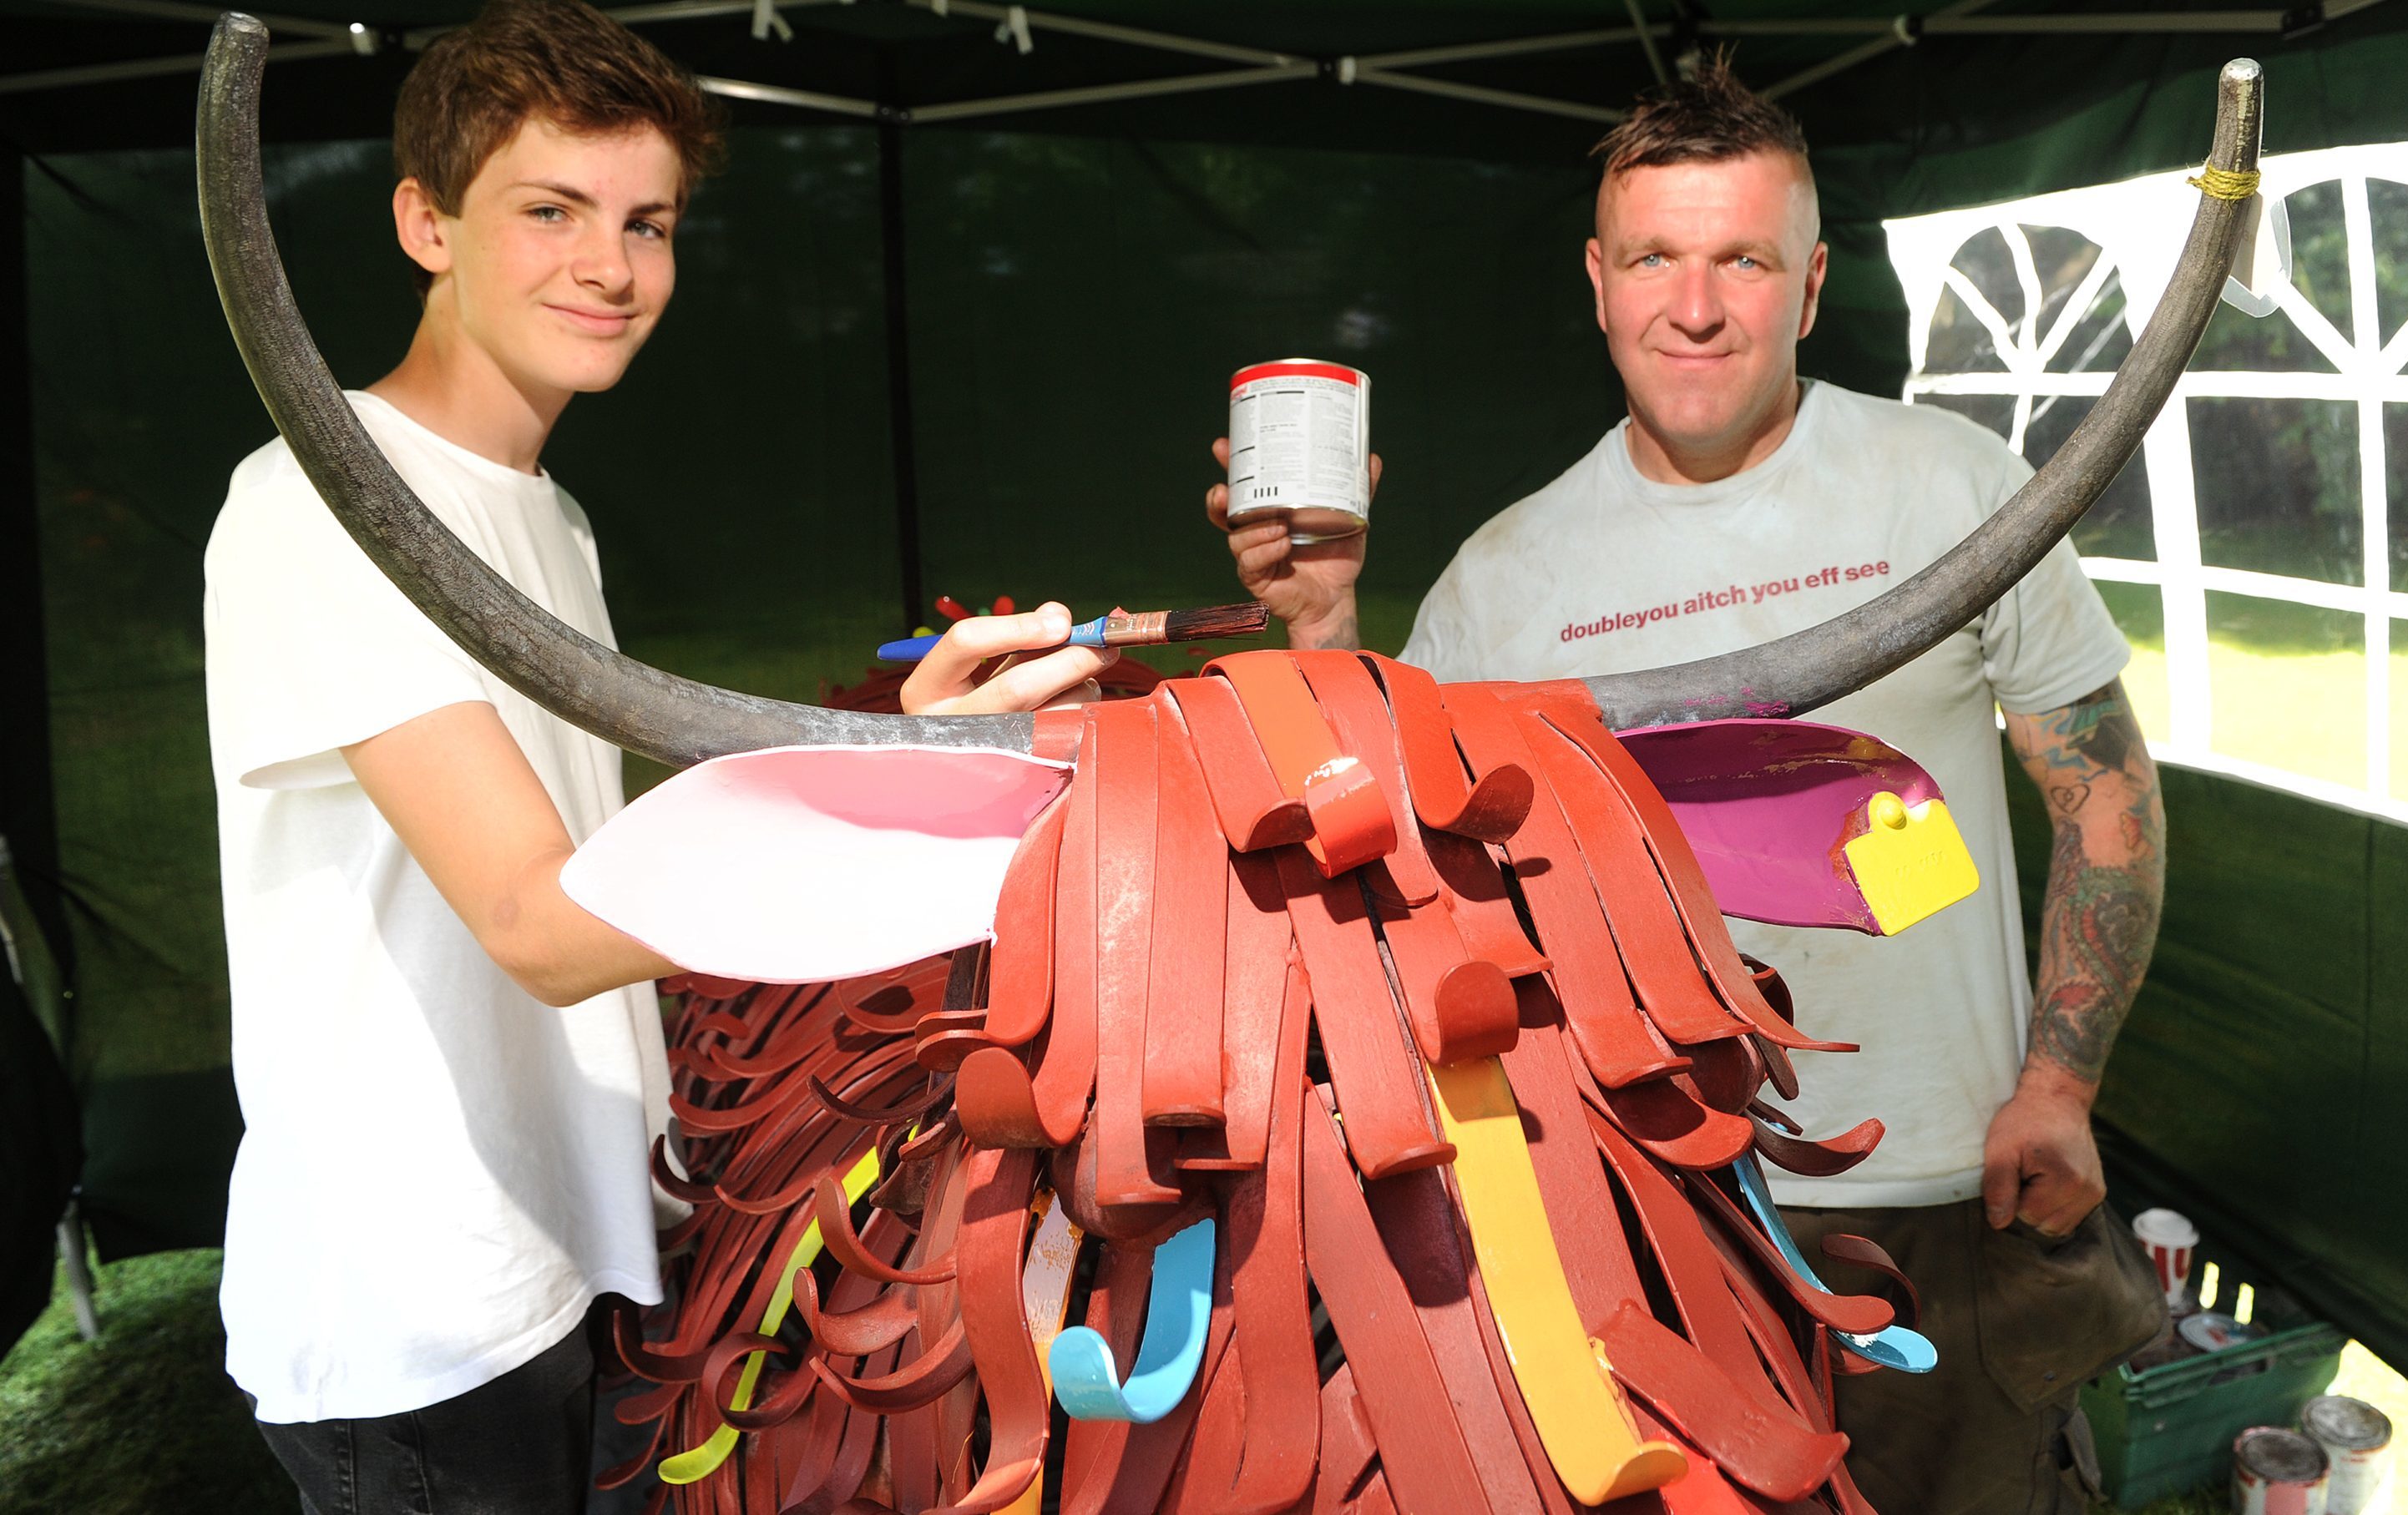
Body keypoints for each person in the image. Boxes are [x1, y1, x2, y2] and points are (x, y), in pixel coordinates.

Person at [1207, 58, 2166, 1514]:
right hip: (1648, 1196)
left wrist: (2057, 1083)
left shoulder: (1954, 488)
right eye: (1655, 257)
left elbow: (2103, 797)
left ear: (1811, 278)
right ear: (1597, 280)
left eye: (1743, 260)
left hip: (1942, 1187)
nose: (1696, 307)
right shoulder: (1504, 577)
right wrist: (1322, 628)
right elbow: (1387, 859)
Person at [201, 3, 1102, 1509]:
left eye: (648, 222)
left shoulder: (545, 516)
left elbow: (604, 866)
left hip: (581, 1252)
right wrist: (900, 788)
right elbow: (541, 924)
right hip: (421, 1318)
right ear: (426, 221)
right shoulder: (318, 500)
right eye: (548, 212)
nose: (610, 269)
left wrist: (891, 748)